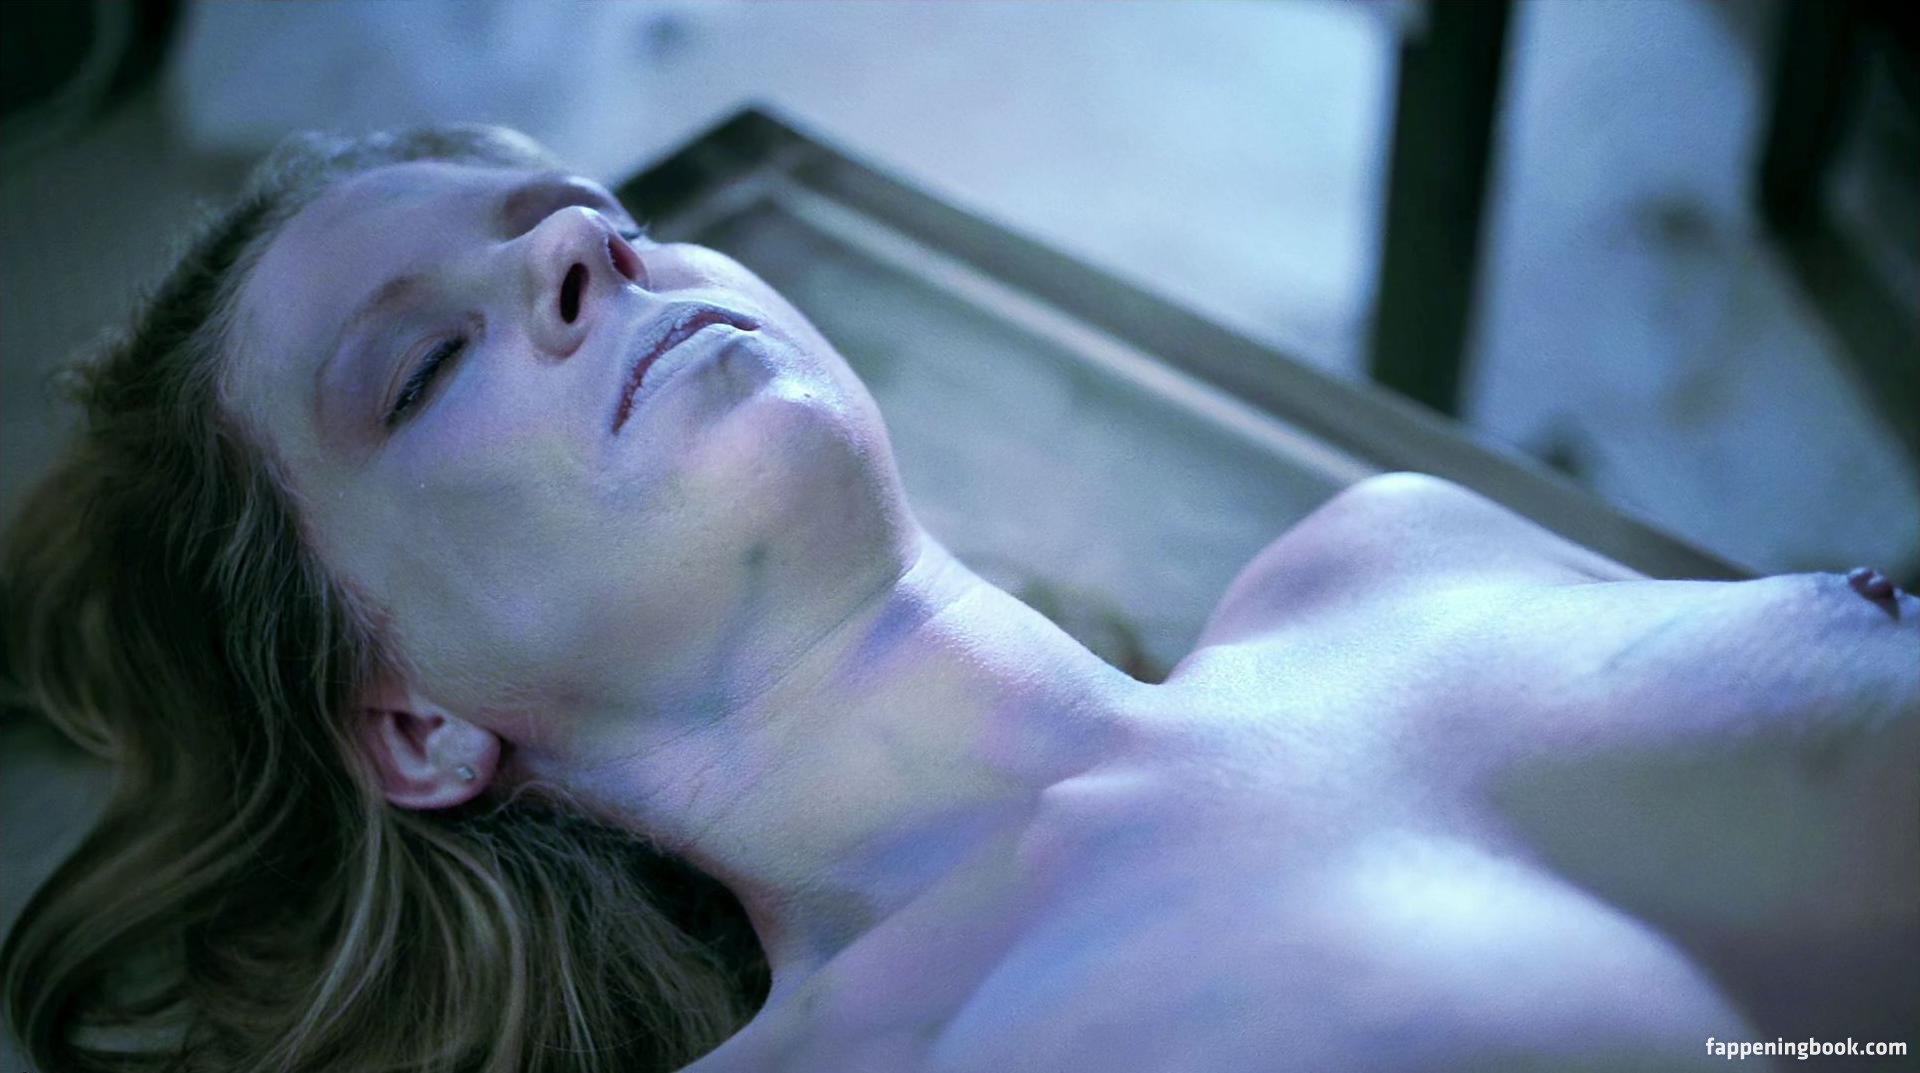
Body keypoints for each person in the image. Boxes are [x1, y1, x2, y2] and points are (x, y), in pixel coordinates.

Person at [2, 123, 1914, 1073]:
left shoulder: (1397, 551)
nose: (587, 242)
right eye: (420, 365)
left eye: (590, 217)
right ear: (414, 721)